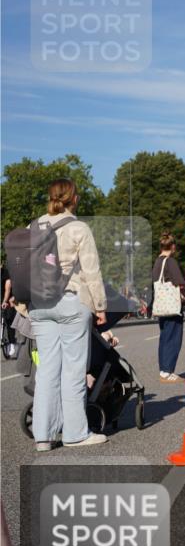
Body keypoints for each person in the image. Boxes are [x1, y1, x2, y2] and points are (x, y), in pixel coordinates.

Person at [29, 179, 109, 451]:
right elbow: (91, 270)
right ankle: (75, 433)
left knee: (47, 371)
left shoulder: (34, 226)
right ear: (73, 199)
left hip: (39, 305)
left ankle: (43, 435)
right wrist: (100, 305)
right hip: (70, 302)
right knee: (74, 370)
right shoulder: (78, 227)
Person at [152, 232, 185, 383]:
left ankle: (163, 370)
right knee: (174, 338)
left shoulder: (157, 262)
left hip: (162, 305)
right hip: (172, 306)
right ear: (172, 246)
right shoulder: (170, 262)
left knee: (164, 337)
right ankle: (168, 371)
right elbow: (179, 282)